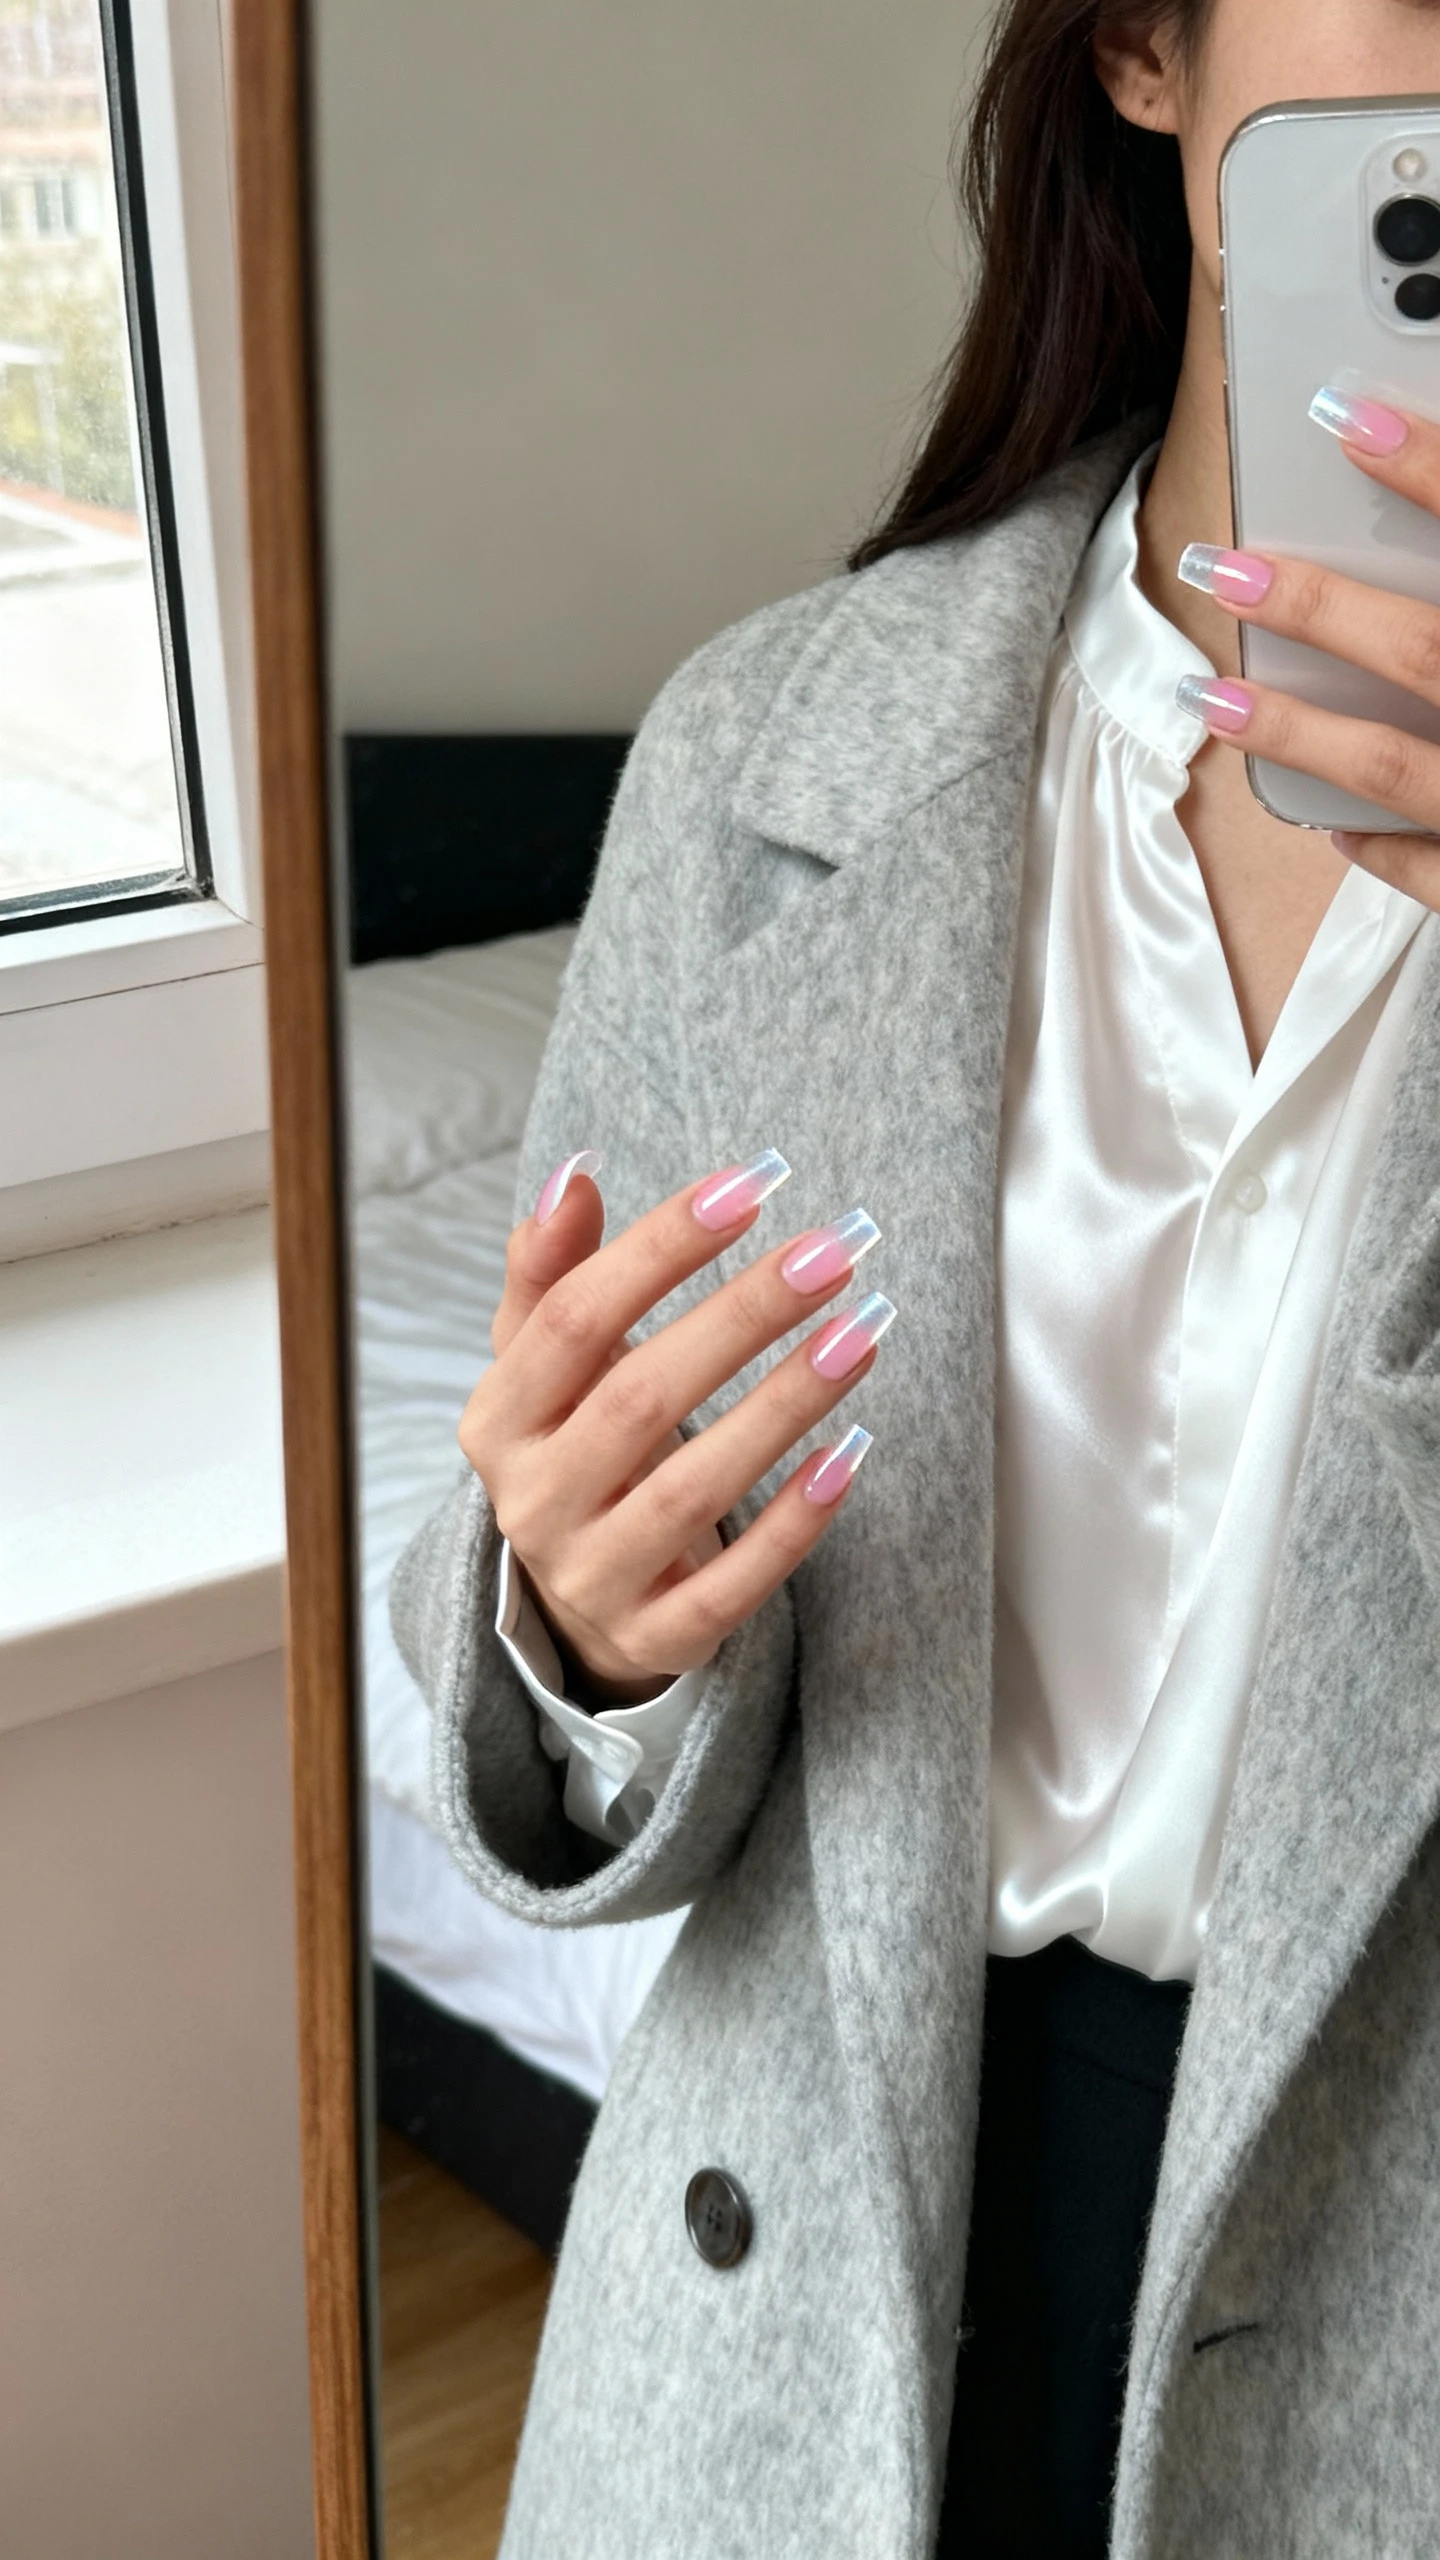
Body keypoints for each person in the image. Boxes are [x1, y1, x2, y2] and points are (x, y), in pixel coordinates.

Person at [392, 1, 1440, 2551]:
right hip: (797, 2312)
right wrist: (577, 1625)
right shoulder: (764, 752)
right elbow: (581, 1717)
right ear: (1143, 48)